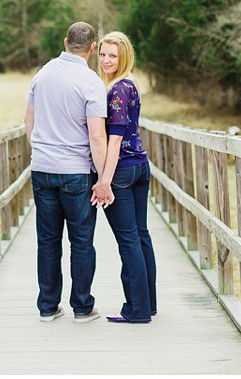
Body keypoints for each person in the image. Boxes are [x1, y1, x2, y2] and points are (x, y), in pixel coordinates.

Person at [24, 21, 113, 323]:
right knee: (81, 242)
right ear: (92, 49)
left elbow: (29, 121)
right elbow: (97, 137)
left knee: (47, 241)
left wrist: (40, 153)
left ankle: (48, 306)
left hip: (42, 169)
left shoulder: (42, 74)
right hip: (76, 172)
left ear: (65, 42)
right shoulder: (91, 82)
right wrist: (103, 179)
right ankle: (82, 306)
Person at [92, 31, 157, 323]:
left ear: (124, 57)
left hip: (122, 171)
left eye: (112, 56)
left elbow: (115, 140)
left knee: (129, 240)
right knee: (141, 236)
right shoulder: (130, 85)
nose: (106, 60)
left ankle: (137, 310)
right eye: (103, 54)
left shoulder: (117, 90)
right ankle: (148, 303)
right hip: (141, 166)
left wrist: (104, 181)